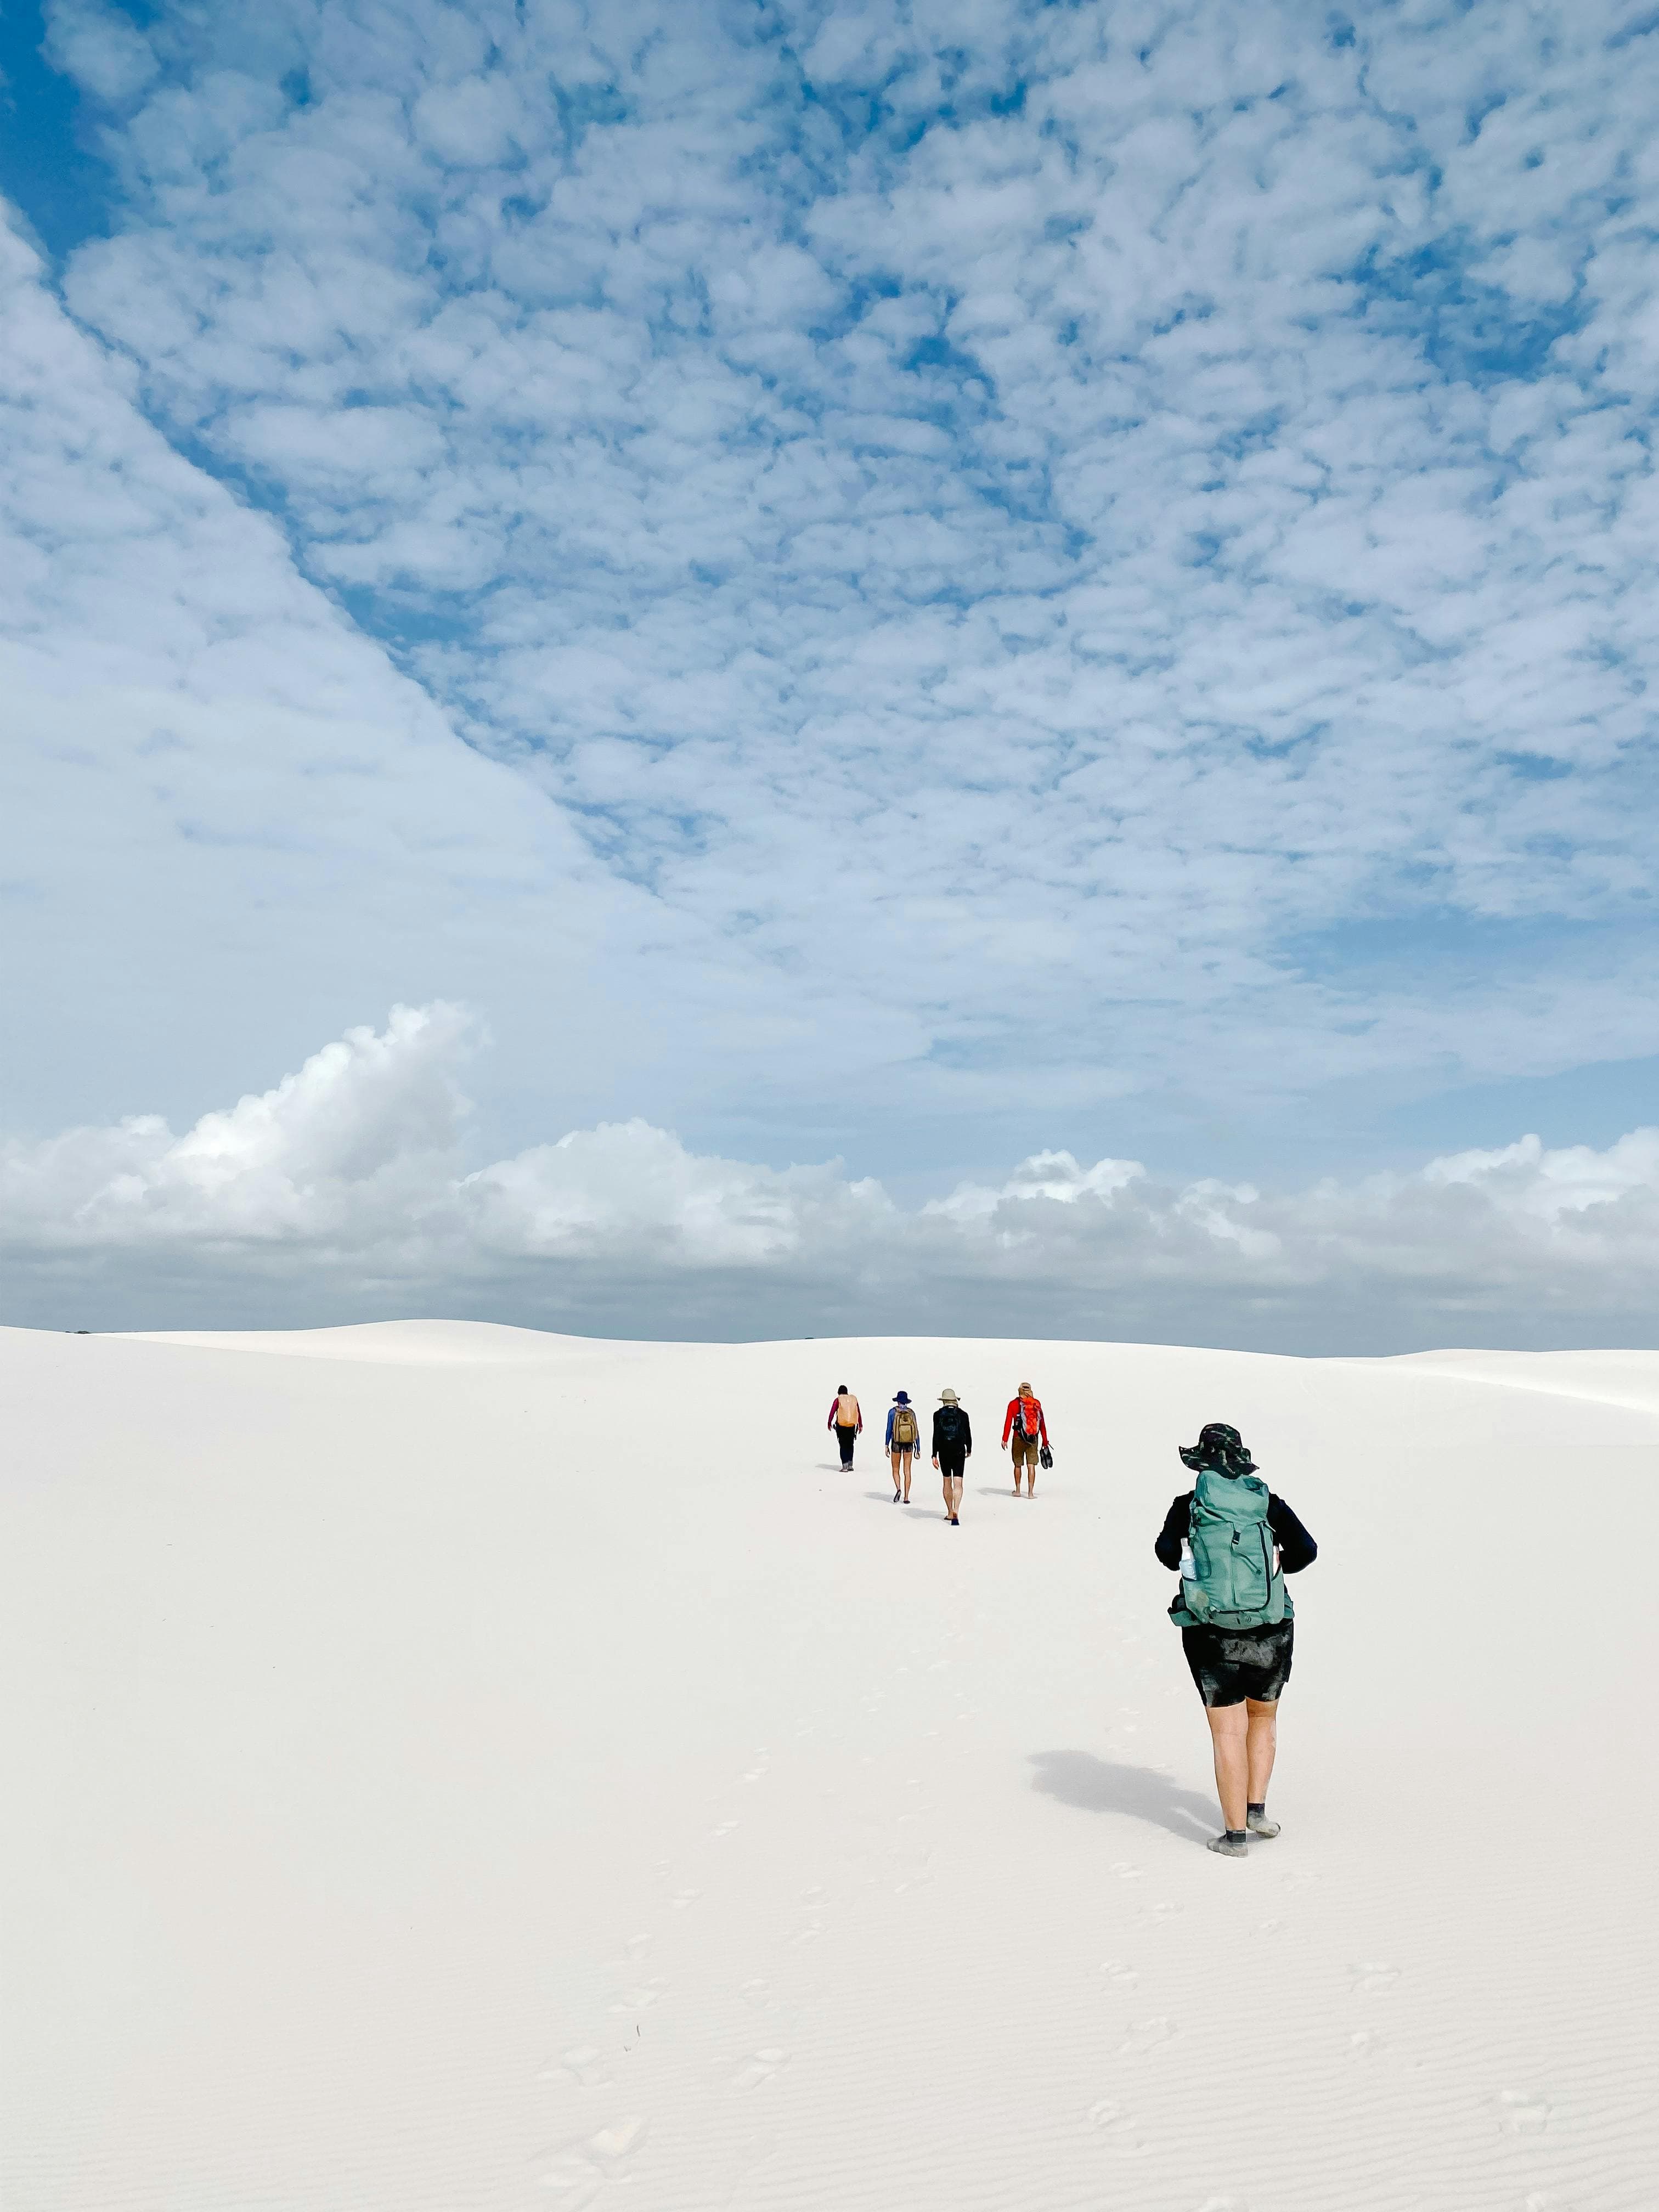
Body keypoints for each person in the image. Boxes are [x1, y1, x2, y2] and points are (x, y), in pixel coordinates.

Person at [1154, 1422, 1317, 1858]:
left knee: (1228, 1732)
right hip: (1272, 1626)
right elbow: (1308, 1549)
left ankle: (1234, 1837)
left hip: (1211, 1633)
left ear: (1201, 1463)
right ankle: (1257, 1812)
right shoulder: (1267, 1502)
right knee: (1262, 1719)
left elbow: (1166, 1554)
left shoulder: (1188, 1505)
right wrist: (1277, 1566)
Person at [930, 1387, 971, 1525]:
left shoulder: (937, 1415)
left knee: (947, 1481)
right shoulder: (963, 1415)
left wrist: (934, 1454)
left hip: (943, 1451)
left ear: (943, 1401)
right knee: (958, 1483)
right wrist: (969, 1449)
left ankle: (949, 1512)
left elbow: (935, 1435)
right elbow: (968, 1434)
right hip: (959, 1450)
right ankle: (956, 1511)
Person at [1001, 1381, 1049, 1495]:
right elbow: (1042, 1423)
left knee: (1018, 1465)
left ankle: (1018, 1491)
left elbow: (1008, 1422)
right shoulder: (1036, 1403)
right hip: (1033, 1438)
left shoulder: (1013, 1404)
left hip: (1018, 1437)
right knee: (1031, 1465)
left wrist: (1005, 1439)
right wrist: (1045, 1441)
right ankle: (1031, 1493)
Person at [885, 1391, 921, 1501]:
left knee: (896, 1468)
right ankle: (906, 1497)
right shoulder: (912, 1413)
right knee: (907, 1470)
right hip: (909, 1444)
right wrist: (918, 1447)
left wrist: (886, 1444)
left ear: (897, 1401)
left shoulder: (892, 1412)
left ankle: (898, 1488)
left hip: (896, 1443)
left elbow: (889, 1430)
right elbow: (916, 1431)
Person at [827, 1384, 862, 1470]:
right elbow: (858, 1412)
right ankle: (850, 1465)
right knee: (851, 1444)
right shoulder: (853, 1400)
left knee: (843, 1445)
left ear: (839, 1393)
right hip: (852, 1426)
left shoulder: (838, 1400)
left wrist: (829, 1422)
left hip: (841, 1426)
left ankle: (845, 1466)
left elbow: (832, 1411)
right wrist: (860, 1425)